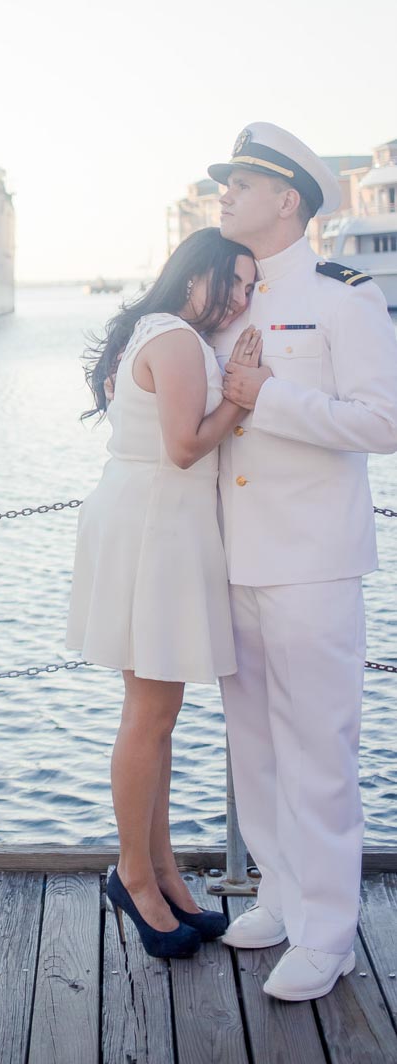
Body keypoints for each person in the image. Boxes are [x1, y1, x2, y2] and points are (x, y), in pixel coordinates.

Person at [207, 122, 397, 1001]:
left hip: (313, 561)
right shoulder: (228, 300)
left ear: (288, 201)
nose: (224, 192)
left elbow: (383, 421)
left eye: (241, 181)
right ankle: (280, 897)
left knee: (318, 748)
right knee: (255, 746)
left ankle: (328, 933)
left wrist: (268, 396)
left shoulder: (341, 296)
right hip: (234, 556)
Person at [67, 227, 259, 958]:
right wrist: (239, 398)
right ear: (195, 275)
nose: (242, 298)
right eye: (234, 283)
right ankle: (136, 878)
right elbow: (184, 446)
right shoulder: (176, 339)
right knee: (149, 714)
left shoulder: (153, 328)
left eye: (249, 288)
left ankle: (164, 871)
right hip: (155, 528)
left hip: (147, 523)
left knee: (158, 712)